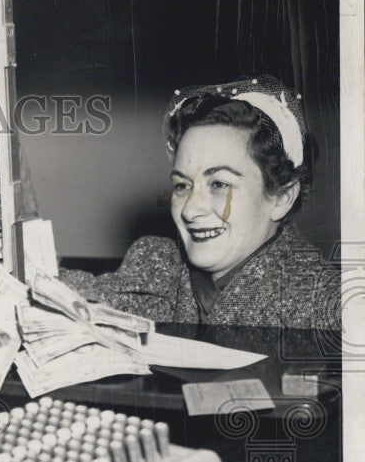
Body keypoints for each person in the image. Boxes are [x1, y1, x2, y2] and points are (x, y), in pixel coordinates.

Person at [59, 77, 340, 329]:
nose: (191, 209)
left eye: (219, 184)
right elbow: (74, 297)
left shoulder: (323, 306)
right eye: (182, 185)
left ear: (282, 198)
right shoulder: (163, 269)